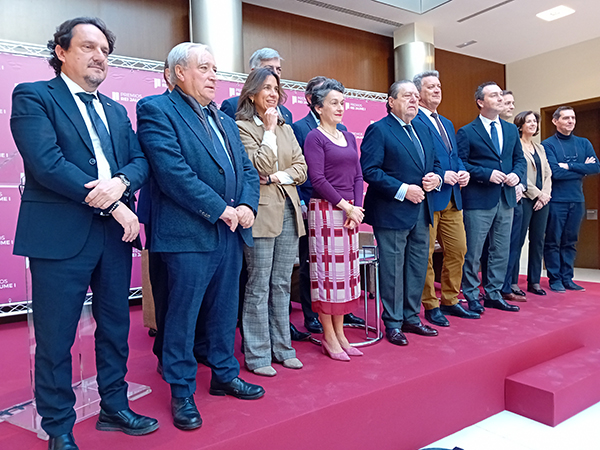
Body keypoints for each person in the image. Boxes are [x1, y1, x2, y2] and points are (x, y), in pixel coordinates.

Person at [10, 17, 158, 450]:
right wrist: (113, 203)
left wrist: (124, 184)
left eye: (105, 51)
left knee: (115, 327)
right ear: (60, 51)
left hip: (113, 238)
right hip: (60, 235)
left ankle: (114, 405)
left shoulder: (114, 109)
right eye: (88, 47)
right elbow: (46, 163)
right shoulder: (35, 96)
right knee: (56, 337)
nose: (99, 57)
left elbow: (139, 161)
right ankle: (58, 425)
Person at [137, 42, 264, 431]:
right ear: (179, 73)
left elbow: (245, 169)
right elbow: (173, 173)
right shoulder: (157, 109)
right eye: (205, 68)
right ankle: (181, 391)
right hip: (187, 234)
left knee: (226, 310)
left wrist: (246, 207)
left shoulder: (224, 119)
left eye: (215, 69)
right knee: (182, 316)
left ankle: (224, 374)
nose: (214, 76)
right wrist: (221, 209)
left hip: (229, 231)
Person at [235, 68, 307, 376]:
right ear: (252, 94)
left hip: (289, 211)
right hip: (261, 215)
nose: (273, 93)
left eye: (276, 87)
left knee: (281, 283)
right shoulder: (242, 127)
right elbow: (257, 166)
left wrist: (277, 177)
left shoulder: (287, 128)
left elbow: (302, 168)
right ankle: (258, 354)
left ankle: (283, 347)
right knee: (258, 284)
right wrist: (266, 131)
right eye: (266, 87)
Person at [361, 80, 443, 347]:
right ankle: (393, 323)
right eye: (407, 95)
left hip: (422, 209)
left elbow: (437, 163)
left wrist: (436, 179)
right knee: (393, 270)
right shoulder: (379, 130)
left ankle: (411, 317)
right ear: (391, 101)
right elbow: (370, 170)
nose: (414, 100)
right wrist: (403, 189)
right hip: (392, 211)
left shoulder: (423, 128)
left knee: (418, 266)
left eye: (416, 96)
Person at [291, 76, 365, 334]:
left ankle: (341, 334)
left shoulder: (348, 136)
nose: (340, 107)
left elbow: (358, 175)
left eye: (343, 103)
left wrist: (358, 209)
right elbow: (317, 179)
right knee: (327, 277)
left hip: (350, 212)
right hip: (326, 210)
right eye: (334, 103)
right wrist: (347, 207)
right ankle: (329, 337)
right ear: (318, 107)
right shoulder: (314, 136)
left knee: (345, 276)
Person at [412, 70, 479, 327]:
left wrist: (462, 170)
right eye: (431, 87)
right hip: (430, 197)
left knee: (458, 250)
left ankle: (450, 300)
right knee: (426, 254)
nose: (437, 90)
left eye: (439, 86)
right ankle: (430, 305)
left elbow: (455, 156)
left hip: (453, 197)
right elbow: (421, 159)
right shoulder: (415, 120)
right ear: (418, 93)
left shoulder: (448, 123)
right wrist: (442, 174)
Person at [457, 82, 526, 314]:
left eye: (500, 95)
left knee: (500, 249)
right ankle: (471, 294)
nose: (499, 98)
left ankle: (494, 293)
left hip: (506, 199)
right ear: (480, 101)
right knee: (473, 252)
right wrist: (486, 174)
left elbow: (519, 160)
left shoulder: (509, 130)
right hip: (478, 199)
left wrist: (517, 175)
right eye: (494, 95)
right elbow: (462, 164)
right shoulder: (466, 131)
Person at [542, 106, 600, 292]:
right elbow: (555, 173)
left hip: (577, 199)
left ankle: (568, 278)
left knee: (570, 240)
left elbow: (595, 168)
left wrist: (568, 166)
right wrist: (581, 168)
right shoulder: (548, 145)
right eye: (566, 118)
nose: (571, 121)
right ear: (555, 121)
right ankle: (555, 279)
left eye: (573, 118)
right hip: (556, 200)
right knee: (553, 240)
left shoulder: (584, 143)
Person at [512, 111, 552, 295]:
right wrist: (537, 194)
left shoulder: (540, 148)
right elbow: (521, 174)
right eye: (529, 121)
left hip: (542, 201)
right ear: (520, 125)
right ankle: (512, 282)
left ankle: (534, 281)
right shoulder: (516, 145)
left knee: (538, 241)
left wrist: (545, 195)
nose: (533, 124)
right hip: (525, 199)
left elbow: (548, 173)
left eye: (535, 121)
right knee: (518, 241)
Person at [221, 47, 292, 124]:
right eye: (268, 69)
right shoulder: (232, 106)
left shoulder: (286, 113)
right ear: (253, 72)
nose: (275, 74)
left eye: (278, 70)